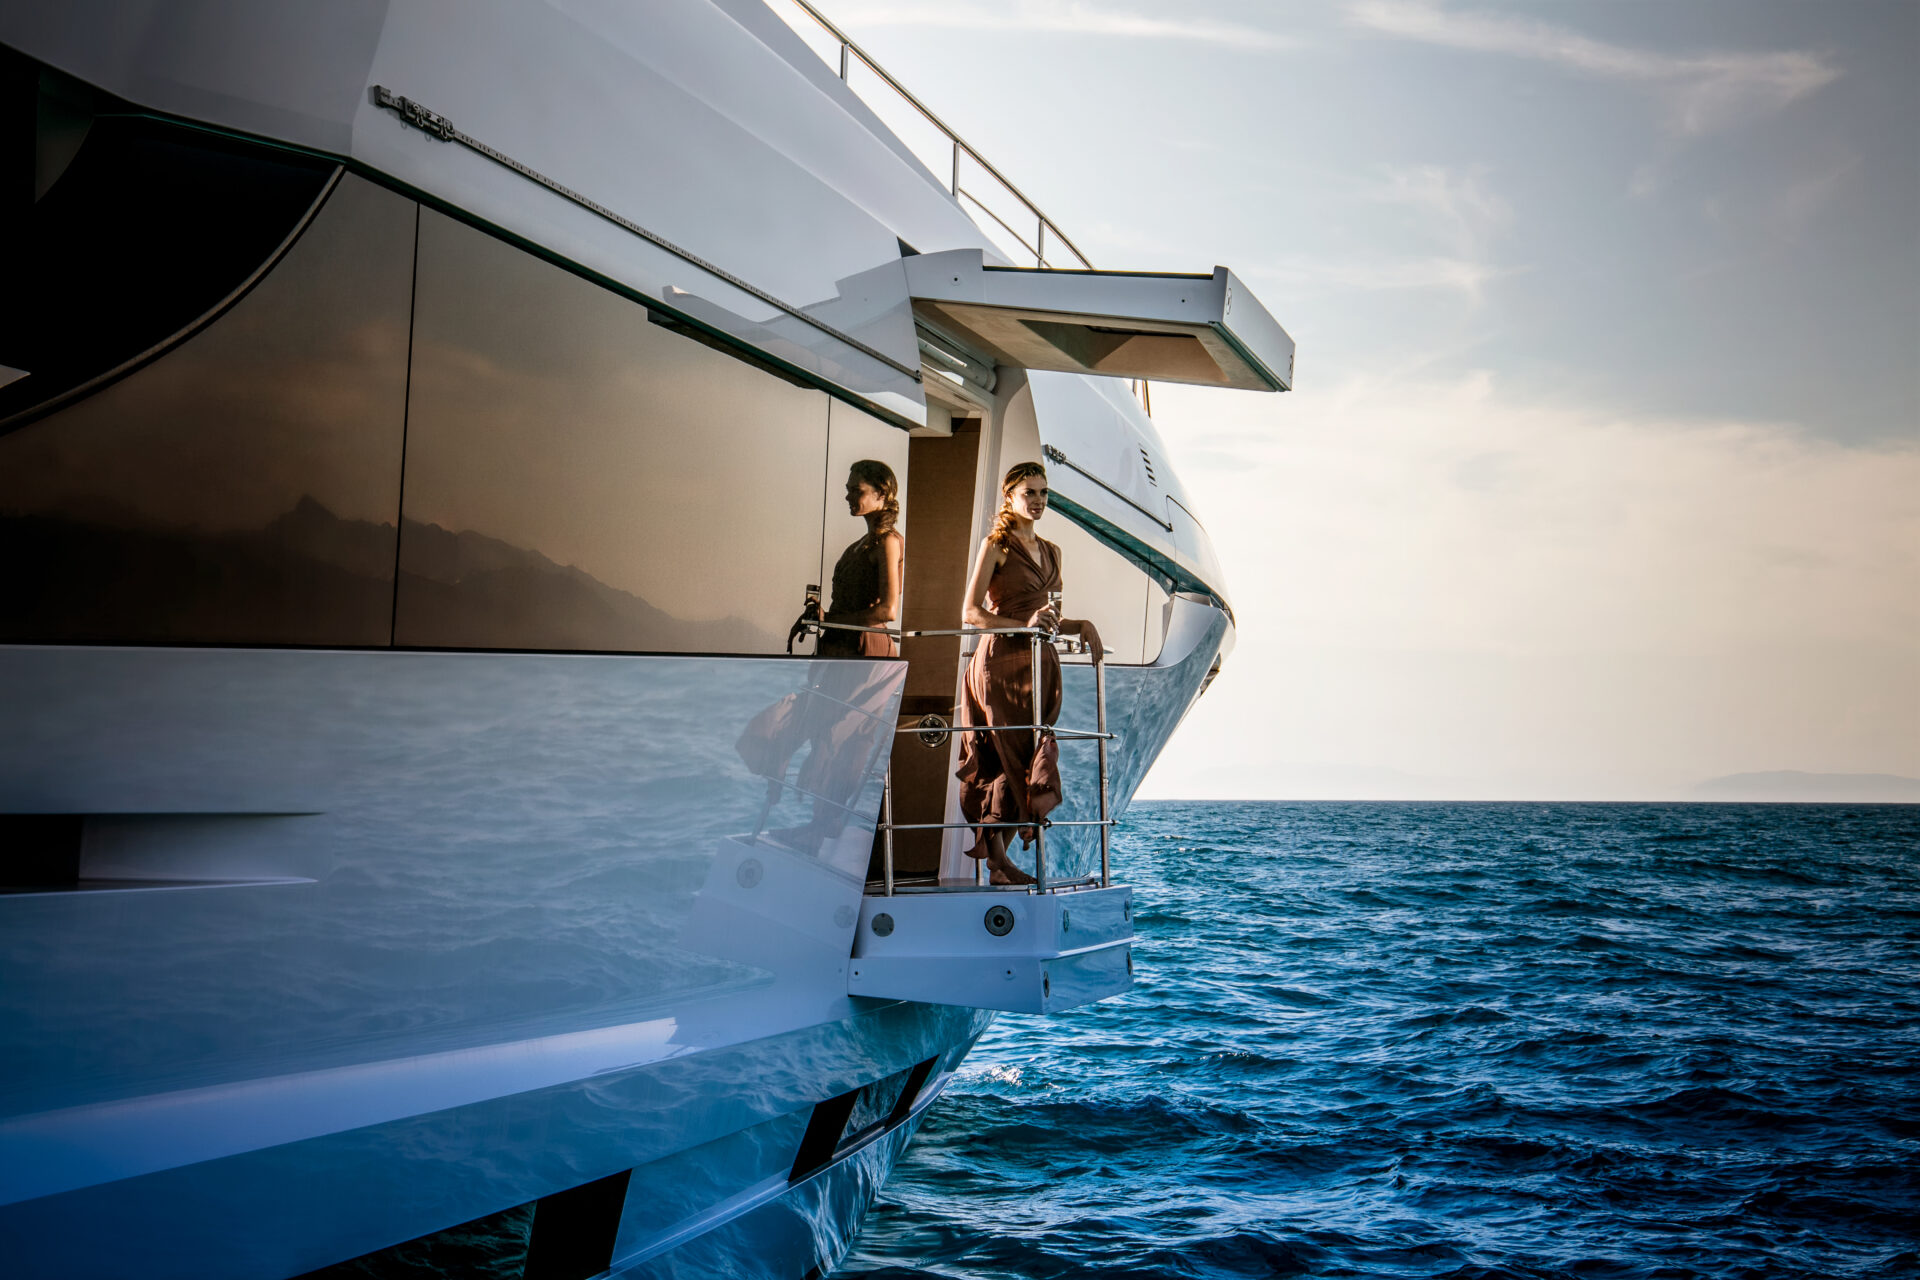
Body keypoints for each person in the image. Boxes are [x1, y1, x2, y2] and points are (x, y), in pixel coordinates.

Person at [956, 461, 1103, 885]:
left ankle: (999, 863)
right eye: (1029, 493)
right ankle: (998, 862)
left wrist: (1080, 625)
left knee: (1028, 756)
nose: (1038, 501)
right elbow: (971, 613)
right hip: (1001, 662)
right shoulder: (997, 545)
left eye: (1043, 493)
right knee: (1005, 754)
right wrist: (1025, 626)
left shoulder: (1053, 551)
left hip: (1039, 665)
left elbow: (1048, 618)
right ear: (1010, 497)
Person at [817, 459, 904, 658]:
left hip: (864, 646)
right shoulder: (859, 545)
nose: (848, 496)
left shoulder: (888, 541)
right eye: (848, 490)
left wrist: (829, 619)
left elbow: (888, 610)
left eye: (857, 490)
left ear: (881, 493)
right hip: (841, 643)